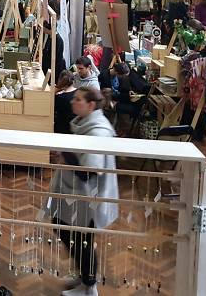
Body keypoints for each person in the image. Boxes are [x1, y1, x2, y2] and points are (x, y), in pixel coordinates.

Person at [49, 87, 118, 296]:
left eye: (77, 99)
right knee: (67, 231)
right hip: (78, 196)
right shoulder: (84, 123)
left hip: (89, 199)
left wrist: (64, 151)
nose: (72, 102)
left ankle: (89, 288)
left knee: (82, 240)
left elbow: (89, 172)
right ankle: (84, 277)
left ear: (91, 105)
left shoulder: (98, 131)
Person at [54, 70, 77, 134]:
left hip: (62, 129)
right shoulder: (78, 92)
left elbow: (51, 108)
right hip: (74, 127)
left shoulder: (61, 97)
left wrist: (56, 90)